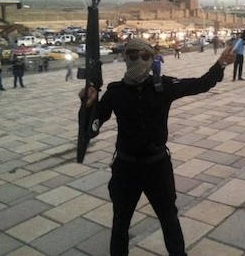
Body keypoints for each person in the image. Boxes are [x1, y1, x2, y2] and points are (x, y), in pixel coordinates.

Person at [79, 38, 235, 256]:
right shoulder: (116, 92)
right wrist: (88, 105)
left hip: (157, 167)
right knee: (121, 223)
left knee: (169, 218)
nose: (138, 60)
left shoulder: (164, 87)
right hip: (126, 168)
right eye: (132, 55)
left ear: (152, 59)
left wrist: (220, 64)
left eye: (144, 56)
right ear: (126, 58)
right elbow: (93, 127)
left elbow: (200, 84)